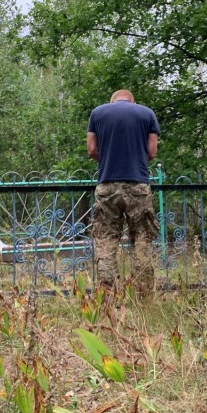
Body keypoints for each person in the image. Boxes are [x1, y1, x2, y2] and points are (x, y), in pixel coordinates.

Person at [87, 90, 160, 299]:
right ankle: (144, 297)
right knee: (143, 241)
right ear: (132, 100)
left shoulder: (97, 114)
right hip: (138, 185)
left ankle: (107, 297)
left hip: (107, 186)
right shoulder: (147, 114)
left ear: (112, 101)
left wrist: (110, 157)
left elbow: (91, 150)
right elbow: (152, 152)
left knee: (106, 242)